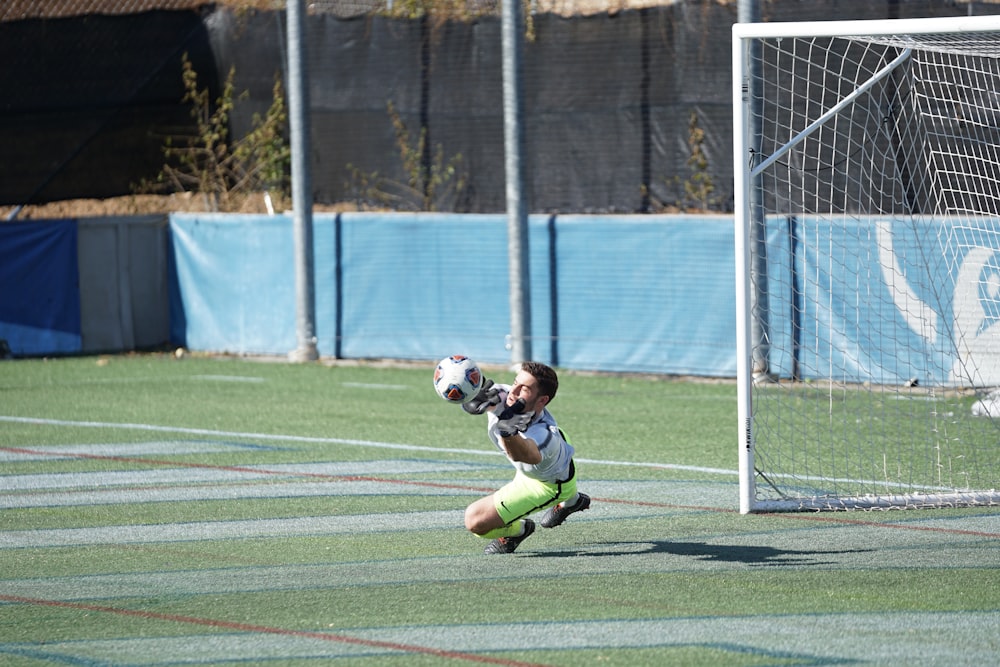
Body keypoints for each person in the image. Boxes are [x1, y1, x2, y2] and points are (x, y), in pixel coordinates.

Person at [461, 361, 591, 554]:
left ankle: (518, 531)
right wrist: (469, 398)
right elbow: (478, 397)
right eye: (515, 382)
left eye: (525, 389)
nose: (514, 391)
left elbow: (525, 455)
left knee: (475, 520)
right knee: (560, 469)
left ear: (542, 400)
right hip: (557, 461)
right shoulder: (506, 395)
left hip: (545, 483)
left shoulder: (545, 437)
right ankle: (573, 501)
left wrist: (508, 433)